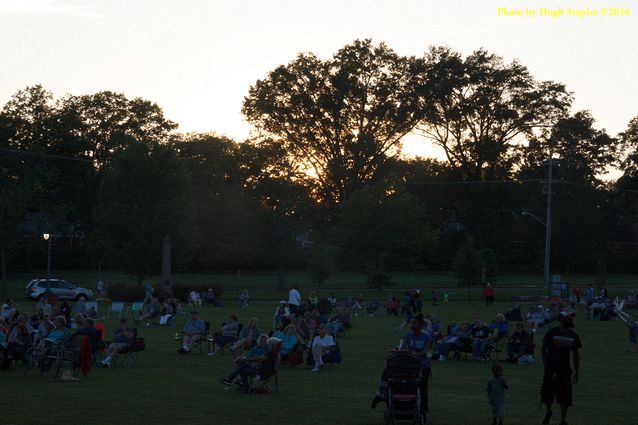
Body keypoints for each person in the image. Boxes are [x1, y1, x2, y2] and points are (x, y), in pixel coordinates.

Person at [372, 314, 432, 415]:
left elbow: (425, 351)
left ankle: (423, 408)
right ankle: (382, 395)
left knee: (423, 387)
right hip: (408, 364)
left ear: (421, 325)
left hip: (421, 365)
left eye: (414, 323)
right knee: (388, 370)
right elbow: (403, 348)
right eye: (412, 322)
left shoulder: (426, 337)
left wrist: (414, 353)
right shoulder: (407, 336)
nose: (412, 324)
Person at [540, 311, 581, 425]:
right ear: (561, 321)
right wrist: (545, 364)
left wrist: (577, 372)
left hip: (565, 370)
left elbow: (576, 354)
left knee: (565, 397)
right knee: (548, 395)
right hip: (551, 369)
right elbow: (543, 348)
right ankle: (549, 411)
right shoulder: (551, 333)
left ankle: (563, 420)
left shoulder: (573, 335)